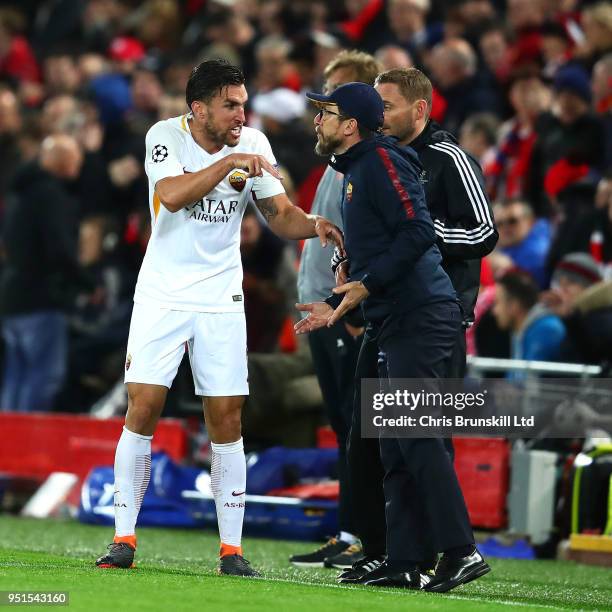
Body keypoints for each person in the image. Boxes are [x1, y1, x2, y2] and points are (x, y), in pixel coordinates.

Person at [94, 59, 343, 577]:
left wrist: (313, 223)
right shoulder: (164, 136)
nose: (240, 113)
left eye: (243, 104)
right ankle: (123, 539)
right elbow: (172, 195)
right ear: (199, 107)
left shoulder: (254, 142)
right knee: (144, 406)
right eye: (230, 104)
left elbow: (278, 216)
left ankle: (231, 549)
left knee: (227, 417)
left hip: (219, 297)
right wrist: (232, 165)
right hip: (162, 293)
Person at [296, 82, 489, 592]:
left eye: (326, 112)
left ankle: (460, 550)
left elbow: (418, 231)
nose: (318, 121)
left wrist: (368, 282)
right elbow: (388, 248)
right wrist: (342, 299)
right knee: (390, 444)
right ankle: (402, 559)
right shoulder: (359, 168)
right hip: (395, 316)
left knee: (415, 435)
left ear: (351, 125)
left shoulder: (381, 163)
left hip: (421, 316)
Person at [290, 49, 380, 572]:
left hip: (344, 309)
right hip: (325, 308)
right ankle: (352, 529)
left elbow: (365, 238)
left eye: (333, 95)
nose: (320, 107)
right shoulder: (335, 163)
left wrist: (351, 308)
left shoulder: (364, 165)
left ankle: (361, 534)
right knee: (343, 423)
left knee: (356, 425)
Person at [0, 134, 90, 412]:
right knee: (43, 376)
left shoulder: (21, 194)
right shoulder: (51, 195)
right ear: (62, 162)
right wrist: (86, 284)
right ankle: (26, 448)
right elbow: (60, 250)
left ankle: (8, 447)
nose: (79, 166)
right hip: (41, 298)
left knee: (17, 376)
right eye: (75, 159)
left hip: (12, 297)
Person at [492, 269, 566, 377]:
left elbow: (527, 381)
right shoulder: (521, 328)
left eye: (497, 303)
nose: (494, 311)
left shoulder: (546, 329)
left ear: (514, 305)